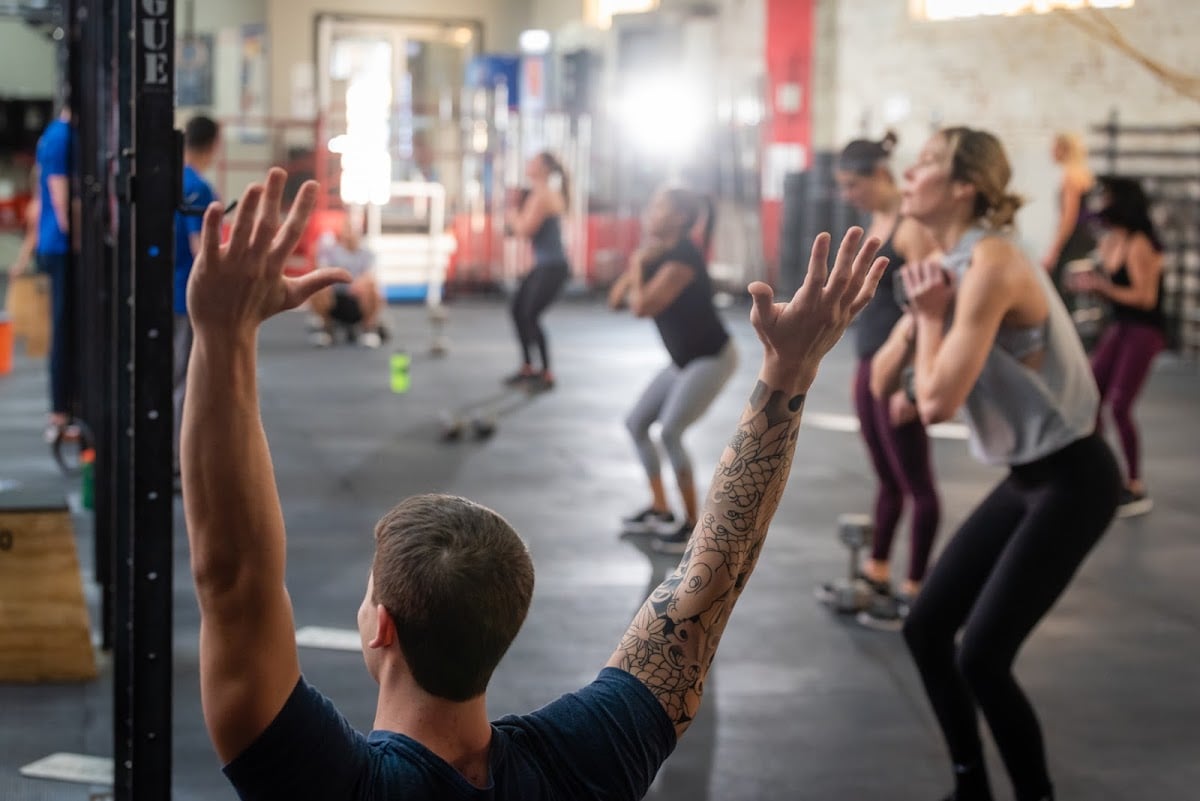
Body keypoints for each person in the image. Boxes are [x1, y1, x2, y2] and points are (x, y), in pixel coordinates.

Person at [182, 166, 887, 801]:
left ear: (381, 627)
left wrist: (220, 332)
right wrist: (789, 372)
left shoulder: (348, 788)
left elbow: (234, 580)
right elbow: (713, 572)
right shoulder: (589, 760)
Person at [871, 127, 1121, 801]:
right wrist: (914, 329)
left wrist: (926, 325)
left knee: (982, 655)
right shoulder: (953, 264)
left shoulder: (993, 264)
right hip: (1028, 478)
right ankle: (969, 785)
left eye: (926, 163)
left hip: (1076, 478)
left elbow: (936, 403)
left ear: (964, 187)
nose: (909, 173)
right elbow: (884, 382)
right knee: (926, 628)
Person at [823, 131, 941, 629]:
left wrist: (914, 384)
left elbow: (933, 310)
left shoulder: (913, 230)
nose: (849, 196)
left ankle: (916, 591)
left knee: (917, 484)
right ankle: (878, 571)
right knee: (887, 478)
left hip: (899, 371)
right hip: (869, 363)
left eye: (854, 185)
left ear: (881, 175)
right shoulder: (877, 220)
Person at [607, 189, 737, 554]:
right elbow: (616, 300)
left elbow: (641, 307)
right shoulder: (659, 257)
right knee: (636, 424)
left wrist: (636, 264)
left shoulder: (683, 259)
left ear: (680, 218)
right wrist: (642, 264)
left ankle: (692, 527)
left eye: (658, 206)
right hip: (682, 361)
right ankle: (662, 510)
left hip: (711, 358)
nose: (649, 212)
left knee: (670, 431)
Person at [1068, 176, 1166, 517]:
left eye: (1107, 197)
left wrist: (1102, 289)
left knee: (1120, 405)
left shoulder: (1141, 244)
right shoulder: (1111, 241)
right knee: (1090, 396)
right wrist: (1090, 284)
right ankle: (1095, 476)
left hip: (1144, 330)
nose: (1100, 202)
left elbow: (1145, 297)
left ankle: (1135, 485)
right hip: (1120, 326)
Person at [173, 115, 221, 481]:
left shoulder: (173, 180)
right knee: (186, 381)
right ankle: (178, 462)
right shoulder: (197, 187)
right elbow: (199, 246)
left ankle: (175, 458)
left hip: (170, 292)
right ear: (214, 145)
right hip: (188, 296)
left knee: (177, 378)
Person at [503, 152, 571, 390]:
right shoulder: (538, 196)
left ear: (543, 168)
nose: (527, 164)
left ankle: (546, 372)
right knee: (517, 310)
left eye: (532, 162)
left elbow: (525, 230)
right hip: (544, 266)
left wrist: (512, 213)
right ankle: (528, 367)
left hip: (553, 267)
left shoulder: (542, 196)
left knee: (530, 315)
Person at [34, 107, 76, 441]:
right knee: (64, 326)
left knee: (66, 324)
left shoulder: (53, 135)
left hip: (54, 243)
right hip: (63, 247)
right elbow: (58, 193)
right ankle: (60, 408)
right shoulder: (62, 136)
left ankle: (64, 405)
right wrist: (78, 240)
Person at [308, 211, 385, 348]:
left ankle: (368, 329)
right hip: (336, 299)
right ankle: (326, 329)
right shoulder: (330, 252)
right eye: (347, 229)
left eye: (353, 230)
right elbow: (322, 271)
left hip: (358, 300)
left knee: (372, 286)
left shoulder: (368, 254)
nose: (350, 234)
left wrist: (358, 284)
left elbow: (370, 275)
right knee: (318, 285)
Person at [1041, 132, 1096, 297]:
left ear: (1063, 149)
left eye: (1054, 147)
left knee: (1062, 290)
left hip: (1074, 240)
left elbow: (1068, 219)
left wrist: (1053, 252)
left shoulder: (1070, 177)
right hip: (1084, 237)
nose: (1050, 152)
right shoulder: (1084, 174)